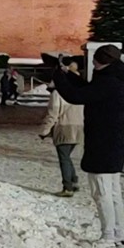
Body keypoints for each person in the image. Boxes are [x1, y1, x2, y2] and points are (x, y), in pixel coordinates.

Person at [51, 45, 124, 246]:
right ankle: (118, 232)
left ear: (103, 60)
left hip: (103, 145)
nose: (92, 63)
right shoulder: (115, 79)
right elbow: (87, 89)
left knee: (101, 192)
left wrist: (59, 77)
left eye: (95, 59)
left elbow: (77, 96)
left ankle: (108, 236)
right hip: (114, 144)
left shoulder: (108, 82)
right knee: (113, 192)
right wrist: (68, 75)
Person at [39, 62, 84, 197]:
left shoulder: (58, 93)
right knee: (67, 156)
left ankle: (67, 187)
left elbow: (53, 114)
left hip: (64, 128)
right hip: (78, 128)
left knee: (63, 158)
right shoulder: (79, 91)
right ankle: (74, 180)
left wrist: (44, 131)